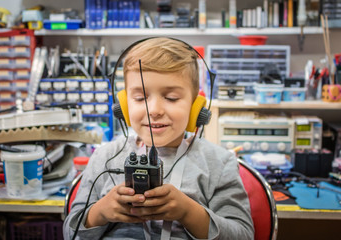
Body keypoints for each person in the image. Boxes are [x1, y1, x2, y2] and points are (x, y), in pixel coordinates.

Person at [63, 38, 254, 239]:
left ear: (196, 108)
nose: (153, 110)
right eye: (140, 98)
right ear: (124, 106)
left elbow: (243, 235)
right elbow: (69, 233)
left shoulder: (219, 163)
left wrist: (189, 212)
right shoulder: (105, 157)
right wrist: (99, 213)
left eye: (171, 98)